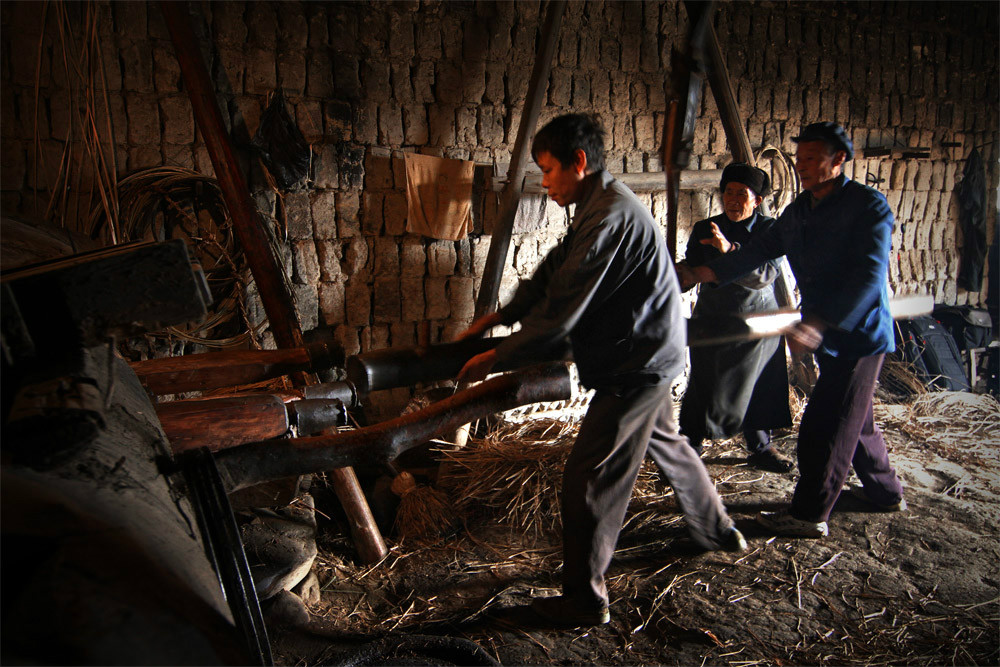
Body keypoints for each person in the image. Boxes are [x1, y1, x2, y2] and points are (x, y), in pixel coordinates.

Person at [456, 114, 745, 628]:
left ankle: (584, 600)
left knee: (588, 478)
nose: (543, 182)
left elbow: (565, 303)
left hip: (637, 364)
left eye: (548, 170)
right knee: (670, 445)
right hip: (646, 351)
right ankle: (718, 530)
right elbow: (554, 268)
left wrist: (500, 356)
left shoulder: (610, 216)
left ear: (579, 164)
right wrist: (503, 315)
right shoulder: (597, 206)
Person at [677, 121, 906, 539]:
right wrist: (703, 272)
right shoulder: (801, 211)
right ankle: (885, 492)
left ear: (839, 161)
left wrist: (817, 322)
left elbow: (868, 277)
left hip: (858, 335)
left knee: (825, 427)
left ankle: (809, 515)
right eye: (799, 158)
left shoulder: (869, 208)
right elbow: (759, 253)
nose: (802, 166)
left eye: (812, 159)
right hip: (823, 332)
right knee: (858, 421)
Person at [678, 163, 794, 473]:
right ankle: (689, 447)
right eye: (728, 192)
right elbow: (692, 268)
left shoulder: (770, 231)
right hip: (714, 318)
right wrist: (677, 275)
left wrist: (729, 250)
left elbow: (764, 276)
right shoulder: (706, 228)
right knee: (704, 383)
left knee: (757, 385)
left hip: (758, 322)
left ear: (757, 201)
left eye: (742, 194)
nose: (732, 199)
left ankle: (760, 447)